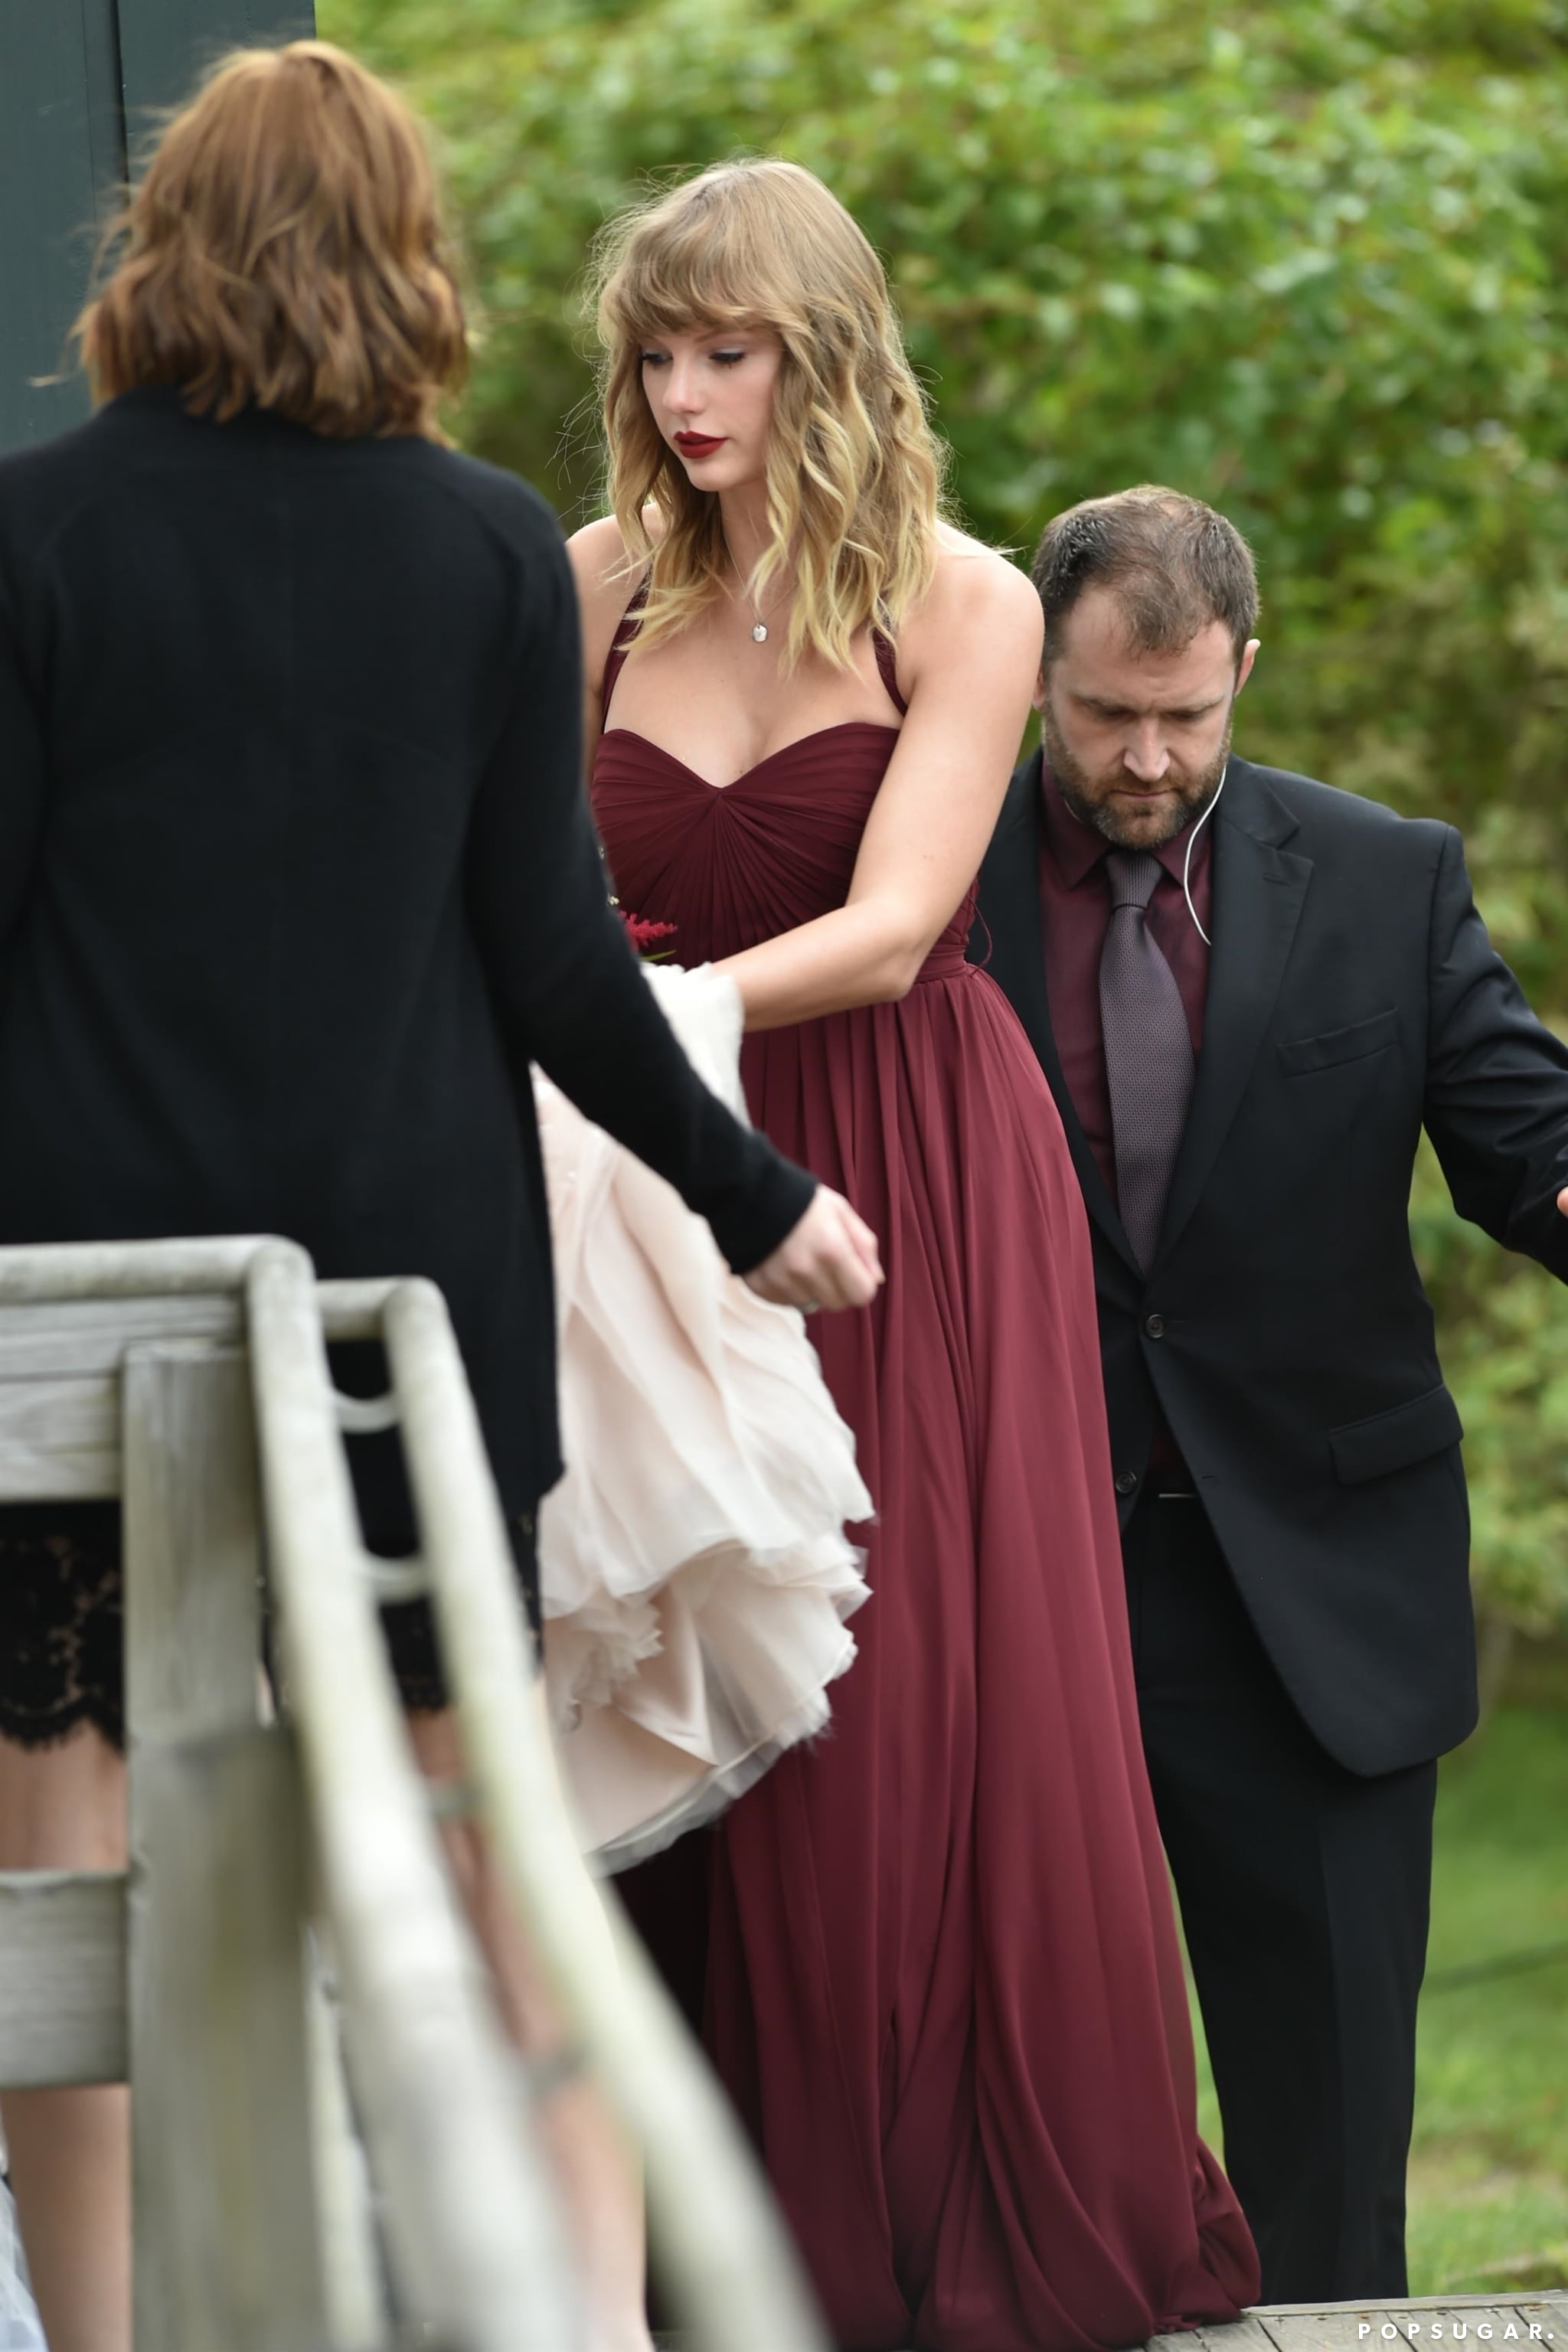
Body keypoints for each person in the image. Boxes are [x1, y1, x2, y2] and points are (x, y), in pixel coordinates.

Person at [0, 47, 880, 2352]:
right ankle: (574, 2326)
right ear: (407, 250)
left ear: (159, 243)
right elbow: (558, 966)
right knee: (468, 1840)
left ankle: (102, 2343)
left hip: (82, 1316)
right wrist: (751, 1188)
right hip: (412, 1311)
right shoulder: (487, 545)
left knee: (63, 1845)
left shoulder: (34, 534)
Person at [570, 159, 1259, 2352]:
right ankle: (669, 2255)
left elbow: (886, 931)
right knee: (652, 1655)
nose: (686, 391)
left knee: (883, 1691)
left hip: (900, 1182)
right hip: (636, 1181)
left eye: (731, 347)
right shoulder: (575, 588)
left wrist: (629, 1018)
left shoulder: (956, 602)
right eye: (659, 350)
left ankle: (894, 2237)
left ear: (827, 351)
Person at [972, 483, 1568, 2301]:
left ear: (1246, 668)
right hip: (1016, 1583)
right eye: (1101, 717)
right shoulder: (924, 887)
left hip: (1317, 1597)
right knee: (1017, 2157)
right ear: (1033, 677)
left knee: (1327, 2178)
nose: (1145, 760)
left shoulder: (1387, 879)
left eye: (1186, 717)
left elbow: (1530, 1153)